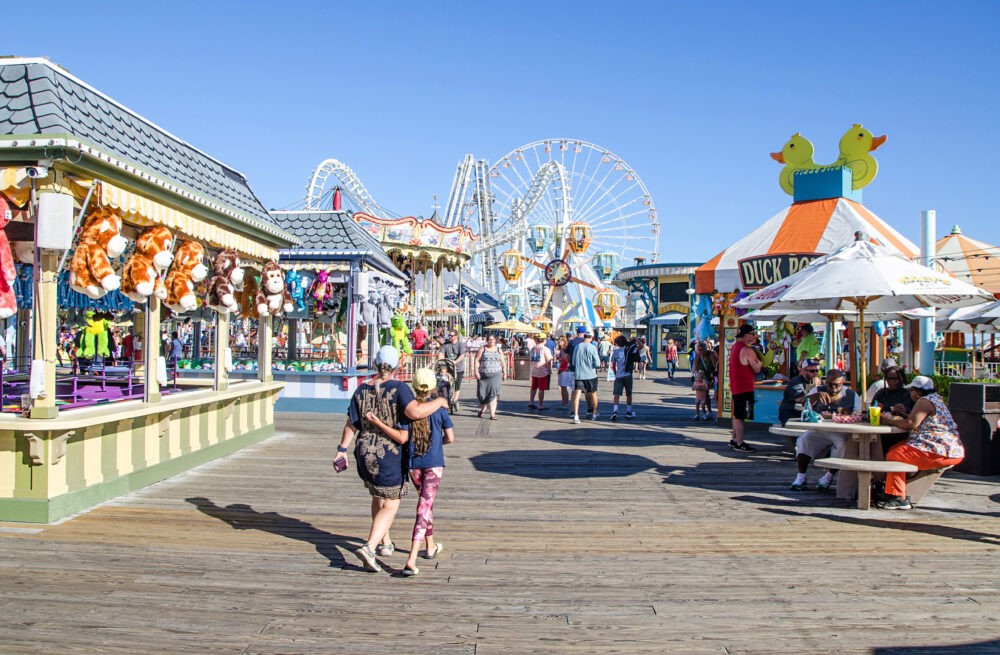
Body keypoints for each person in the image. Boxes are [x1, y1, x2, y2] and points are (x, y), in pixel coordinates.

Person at [332, 346, 447, 573]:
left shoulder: (361, 389)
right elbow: (415, 413)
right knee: (391, 503)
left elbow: (351, 423)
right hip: (389, 453)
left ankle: (385, 543)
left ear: (375, 363)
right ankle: (370, 547)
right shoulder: (399, 388)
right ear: (396, 366)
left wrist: (341, 449)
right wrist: (440, 403)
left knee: (377, 496)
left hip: (364, 451)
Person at [877, 375, 965, 510]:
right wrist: (904, 413)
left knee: (895, 456)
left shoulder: (924, 401)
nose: (910, 393)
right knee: (896, 448)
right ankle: (892, 490)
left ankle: (898, 498)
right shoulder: (935, 399)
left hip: (940, 450)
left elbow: (912, 423)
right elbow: (918, 420)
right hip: (949, 449)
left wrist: (887, 421)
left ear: (918, 391)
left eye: (911, 390)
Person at [400, 368, 455, 576]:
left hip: (414, 464)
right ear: (433, 387)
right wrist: (437, 444)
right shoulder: (440, 410)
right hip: (433, 463)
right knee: (424, 506)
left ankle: (430, 545)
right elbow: (450, 437)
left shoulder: (408, 410)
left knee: (426, 503)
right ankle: (412, 558)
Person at [788, 368, 860, 491]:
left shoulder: (851, 395)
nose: (833, 388)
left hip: (840, 431)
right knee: (804, 440)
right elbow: (804, 402)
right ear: (825, 382)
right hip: (819, 429)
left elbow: (858, 415)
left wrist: (840, 415)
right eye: (830, 384)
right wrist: (815, 396)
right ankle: (801, 476)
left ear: (842, 383)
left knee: (842, 445)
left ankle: (828, 477)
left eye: (837, 385)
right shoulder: (818, 390)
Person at [728, 324, 761, 452]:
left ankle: (735, 439)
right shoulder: (747, 350)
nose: (754, 336)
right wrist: (761, 362)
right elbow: (757, 368)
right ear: (746, 336)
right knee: (741, 416)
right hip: (745, 387)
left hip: (736, 386)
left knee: (737, 414)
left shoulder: (735, 347)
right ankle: (740, 443)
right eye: (753, 334)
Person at [872, 366, 915, 454]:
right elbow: (873, 409)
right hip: (882, 433)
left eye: (895, 379)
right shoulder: (881, 393)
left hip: (901, 433)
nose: (892, 381)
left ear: (901, 379)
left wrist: (903, 411)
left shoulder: (907, 394)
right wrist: (891, 409)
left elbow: (912, 416)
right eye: (889, 379)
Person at [778, 358, 822, 426]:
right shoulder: (795, 382)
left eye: (817, 370)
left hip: (806, 416)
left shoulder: (815, 381)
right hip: (791, 416)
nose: (815, 374)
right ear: (804, 371)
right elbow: (801, 400)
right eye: (812, 371)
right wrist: (815, 387)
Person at [472, 334, 506, 420]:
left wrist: (504, 372)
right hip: (483, 375)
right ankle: (483, 408)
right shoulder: (482, 349)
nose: (491, 341)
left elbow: (502, 362)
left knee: (493, 394)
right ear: (487, 340)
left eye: (493, 339)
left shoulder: (498, 350)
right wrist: (476, 371)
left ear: (495, 340)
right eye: (489, 339)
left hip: (496, 375)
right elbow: (477, 360)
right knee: (481, 394)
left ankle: (492, 414)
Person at [570, 330, 601, 424]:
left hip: (579, 375)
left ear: (584, 337)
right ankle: (594, 414)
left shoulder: (577, 347)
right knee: (593, 394)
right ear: (591, 338)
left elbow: (573, 362)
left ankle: (576, 416)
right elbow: (597, 363)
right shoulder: (592, 347)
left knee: (577, 395)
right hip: (591, 375)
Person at [609, 335, 638, 422]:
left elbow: (613, 365)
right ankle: (628, 411)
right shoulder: (629, 351)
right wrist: (636, 339)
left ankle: (615, 411)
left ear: (617, 343)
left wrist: (615, 372)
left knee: (616, 394)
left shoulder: (615, 352)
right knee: (628, 394)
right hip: (628, 375)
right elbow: (640, 347)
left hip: (619, 376)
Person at [440, 330, 467, 411]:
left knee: (457, 385)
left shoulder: (460, 344)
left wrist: (456, 361)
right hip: (448, 368)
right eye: (449, 335)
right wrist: (440, 359)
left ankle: (455, 400)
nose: (450, 337)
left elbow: (462, 355)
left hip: (458, 368)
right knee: (445, 384)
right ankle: (446, 399)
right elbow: (441, 353)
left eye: (451, 335)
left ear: (456, 336)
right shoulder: (446, 344)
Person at [528, 337, 553, 410]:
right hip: (542, 371)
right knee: (541, 389)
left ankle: (531, 402)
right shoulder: (545, 349)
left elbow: (530, 359)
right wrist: (549, 370)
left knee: (533, 387)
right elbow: (549, 360)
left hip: (534, 370)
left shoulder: (533, 348)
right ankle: (540, 405)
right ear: (544, 340)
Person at [556, 335, 573, 411]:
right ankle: (564, 403)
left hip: (565, 370)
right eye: (559, 340)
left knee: (564, 387)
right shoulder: (561, 350)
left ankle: (565, 404)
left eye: (561, 340)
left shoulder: (565, 349)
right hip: (562, 369)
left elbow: (566, 360)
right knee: (563, 387)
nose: (559, 341)